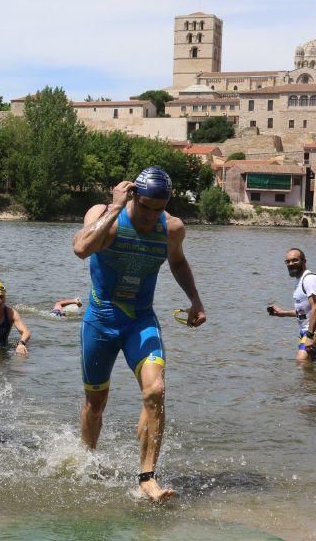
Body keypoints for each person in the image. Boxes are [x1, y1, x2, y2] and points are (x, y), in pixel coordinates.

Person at [72, 167, 206, 503]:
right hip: (100, 320)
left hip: (140, 321)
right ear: (132, 196)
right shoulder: (104, 215)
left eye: (158, 209)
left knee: (156, 390)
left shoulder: (171, 228)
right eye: (145, 207)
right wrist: (114, 208)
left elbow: (177, 262)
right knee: (95, 402)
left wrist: (195, 300)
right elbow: (81, 248)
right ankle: (86, 460)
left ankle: (147, 477)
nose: (150, 216)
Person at [267, 248, 316, 362]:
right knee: (308, 368)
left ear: (304, 261)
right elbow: (305, 311)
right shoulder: (300, 280)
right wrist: (283, 313)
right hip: (306, 330)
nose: (291, 264)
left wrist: (310, 336)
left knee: (300, 362)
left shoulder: (309, 279)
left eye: (295, 260)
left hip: (312, 330)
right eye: (288, 261)